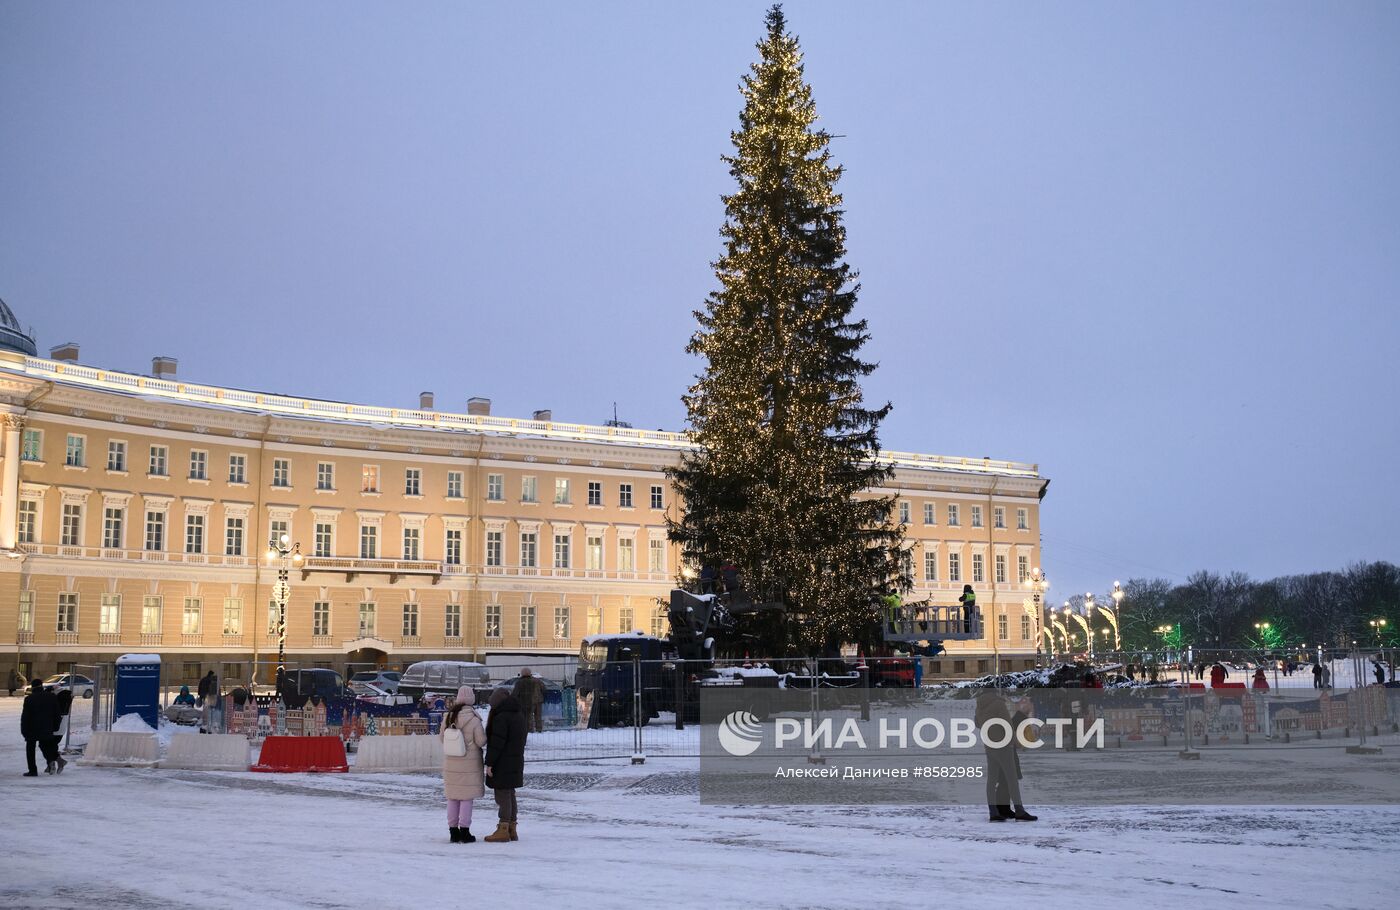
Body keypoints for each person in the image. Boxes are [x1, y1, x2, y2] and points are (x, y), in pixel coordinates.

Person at [974, 691, 1036, 822]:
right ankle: (1019, 810)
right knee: (1011, 779)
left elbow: (978, 724)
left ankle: (993, 812)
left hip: (989, 745)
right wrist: (1014, 741)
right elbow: (1007, 724)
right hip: (1003, 745)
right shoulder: (998, 704)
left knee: (991, 780)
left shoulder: (979, 705)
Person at [440, 685, 487, 843]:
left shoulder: (448, 717)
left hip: (451, 763)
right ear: (472, 700)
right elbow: (481, 741)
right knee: (466, 798)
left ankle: (453, 832)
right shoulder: (474, 720)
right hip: (470, 765)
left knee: (452, 798)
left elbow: (442, 739)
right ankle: (465, 831)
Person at [483, 687, 528, 843]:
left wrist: (489, 763)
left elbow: (497, 743)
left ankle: (503, 829)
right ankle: (511, 828)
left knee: (502, 794)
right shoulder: (518, 714)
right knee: (510, 793)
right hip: (515, 760)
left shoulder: (501, 718)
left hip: (502, 761)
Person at [21, 678, 63, 777]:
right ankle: (53, 762)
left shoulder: (29, 699)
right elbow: (57, 713)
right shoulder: (51, 697)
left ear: (32, 687)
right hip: (47, 727)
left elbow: (25, 717)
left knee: (30, 749)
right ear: (42, 686)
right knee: (47, 746)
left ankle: (33, 770)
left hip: (32, 728)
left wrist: (24, 730)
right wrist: (56, 726)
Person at [511, 668, 546, 734]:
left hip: (528, 701)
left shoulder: (519, 682)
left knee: (528, 716)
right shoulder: (537, 680)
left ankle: (529, 730)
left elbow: (515, 693)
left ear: (522, 673)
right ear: (530, 673)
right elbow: (544, 689)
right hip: (538, 700)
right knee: (538, 716)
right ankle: (539, 729)